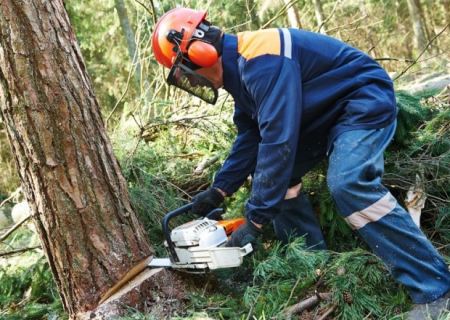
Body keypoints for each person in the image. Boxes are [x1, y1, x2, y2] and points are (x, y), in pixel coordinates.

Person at [151, 8, 450, 319]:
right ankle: (316, 271)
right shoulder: (240, 70)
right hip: (323, 114)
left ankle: (435, 287)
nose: (188, 79)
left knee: (348, 183)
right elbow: (250, 138)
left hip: (362, 101)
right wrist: (220, 190)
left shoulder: (262, 61)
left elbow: (278, 141)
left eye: (184, 70)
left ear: (200, 51)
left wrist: (255, 221)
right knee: (277, 181)